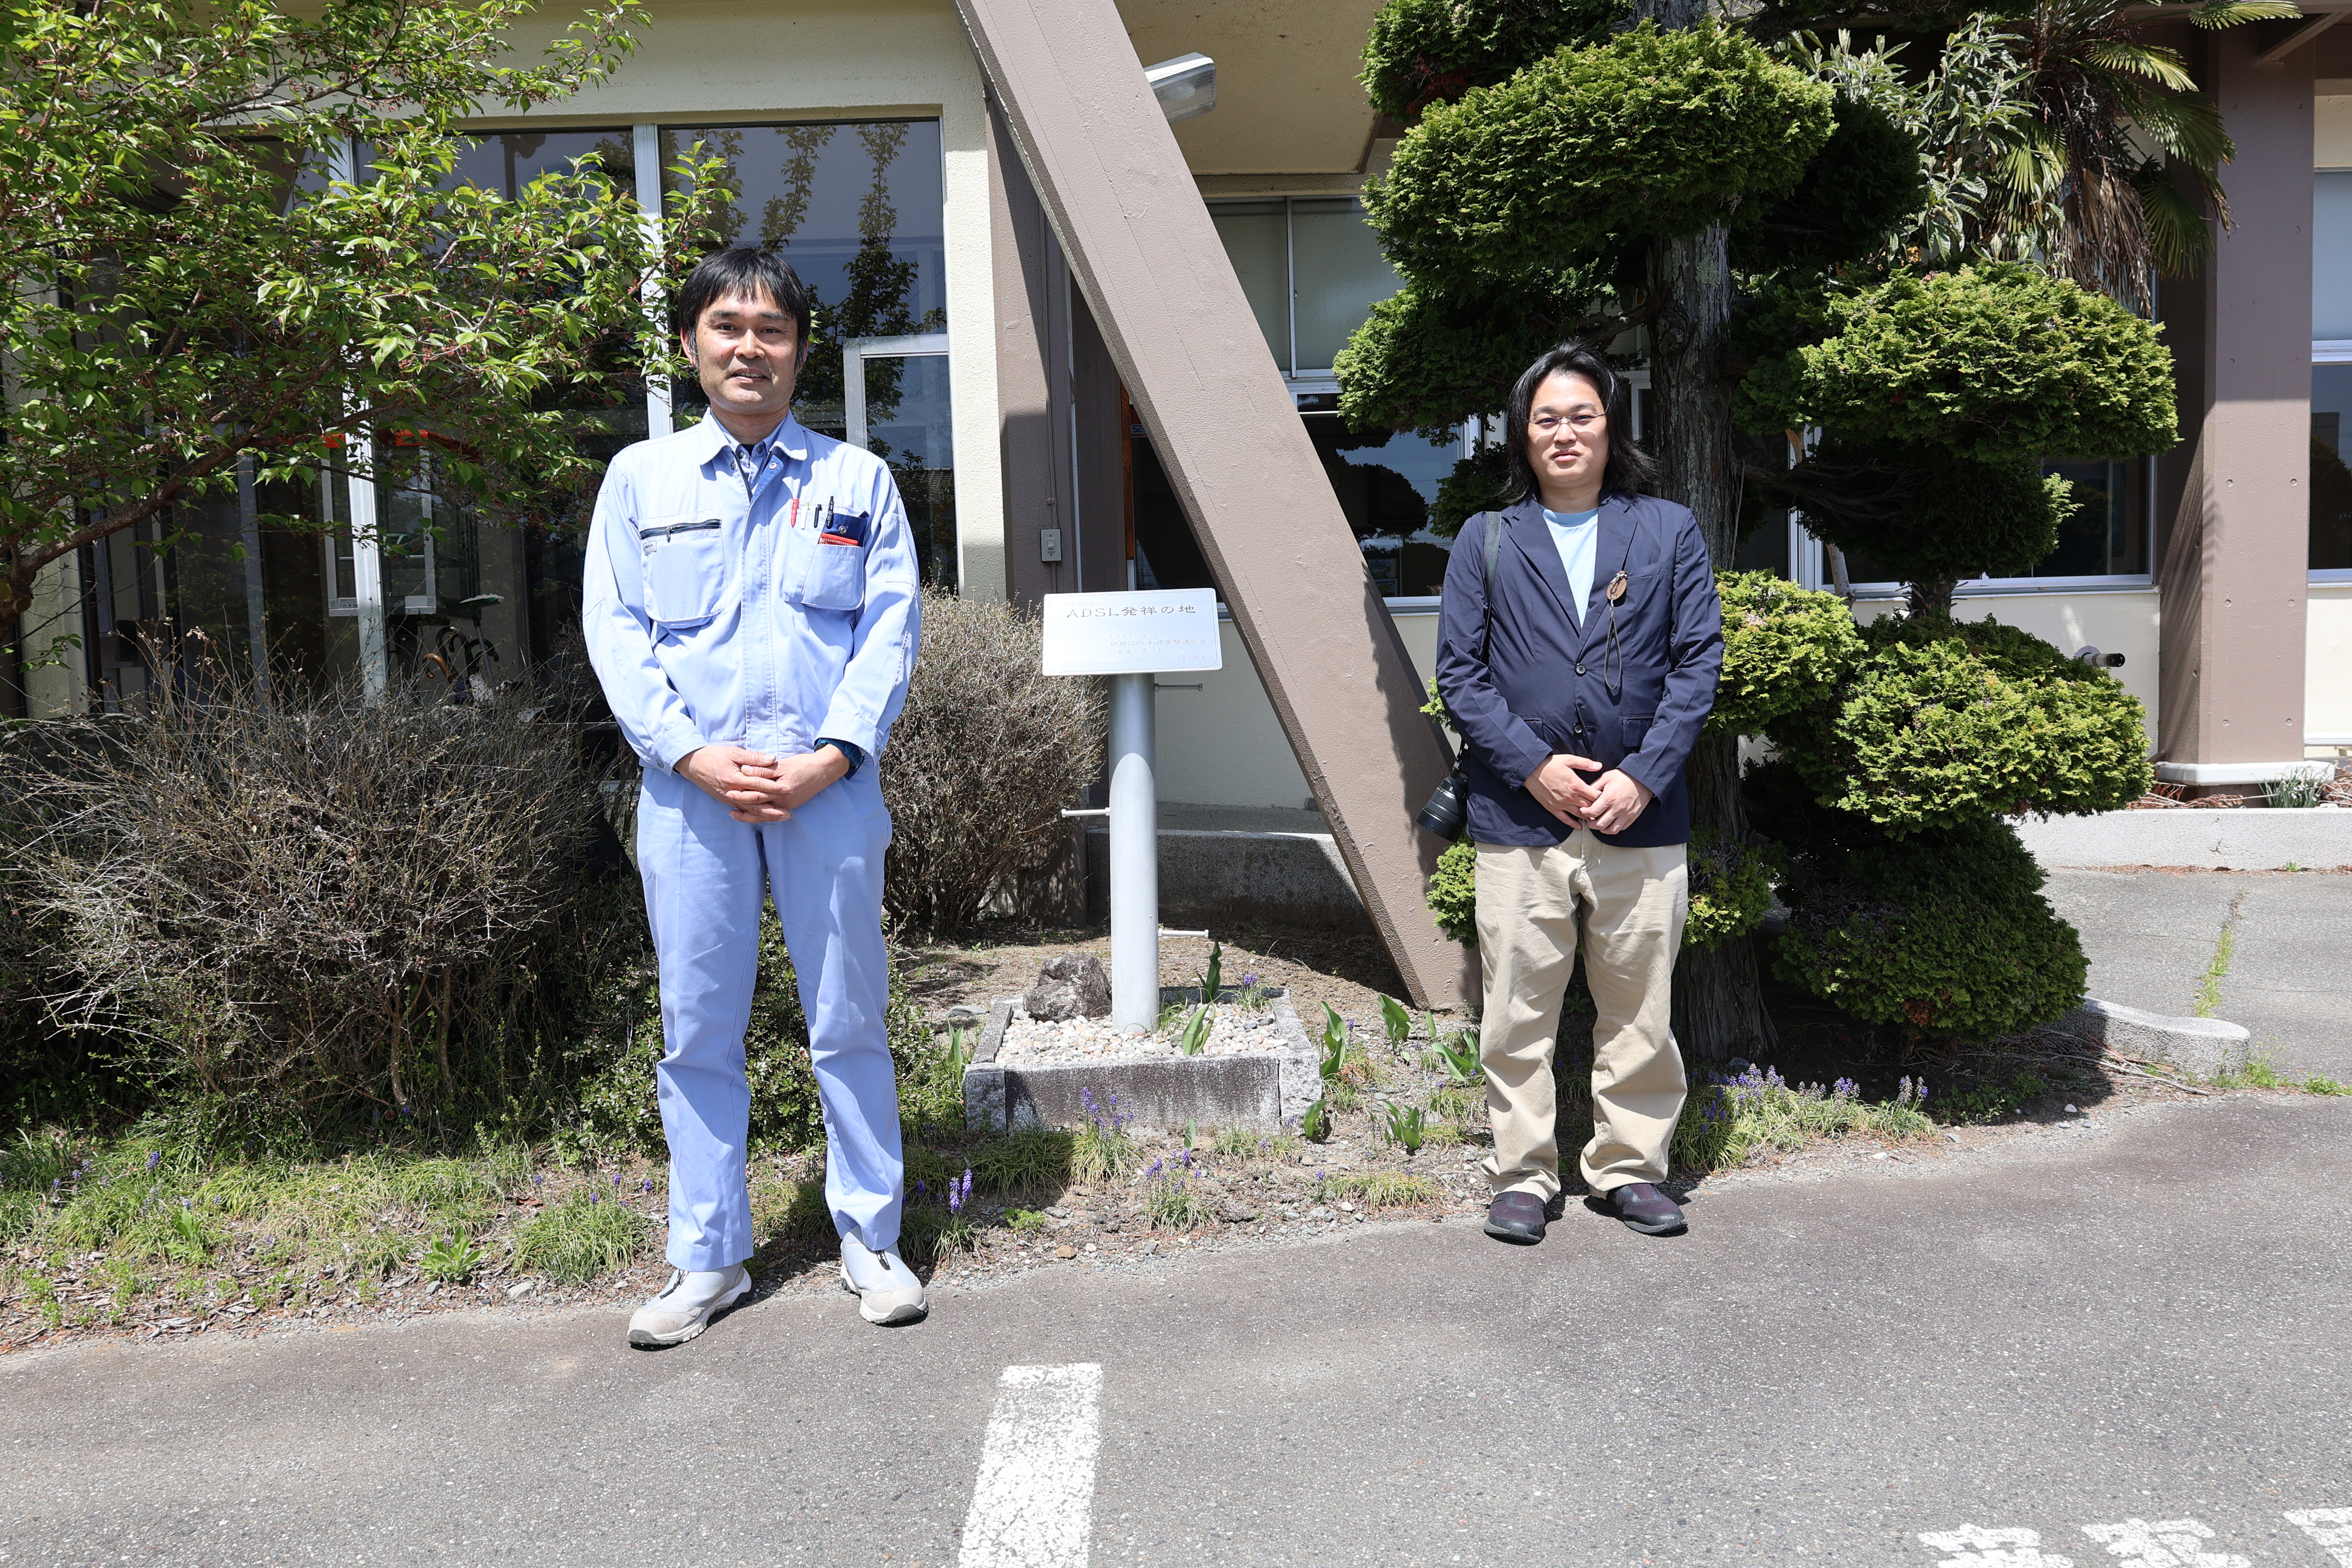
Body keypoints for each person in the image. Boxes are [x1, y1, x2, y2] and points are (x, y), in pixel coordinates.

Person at [583, 247, 925, 1345]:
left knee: (849, 1019)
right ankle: (709, 1257)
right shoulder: (640, 481)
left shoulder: (855, 481)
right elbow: (617, 636)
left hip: (825, 788)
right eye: (727, 327)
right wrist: (687, 753)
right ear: (692, 346)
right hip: (693, 798)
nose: (749, 348)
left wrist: (836, 752)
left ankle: (870, 1237)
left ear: (799, 351)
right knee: (697, 1032)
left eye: (771, 330)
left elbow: (890, 631)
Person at [1434, 343, 1724, 1246]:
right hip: (1521, 818)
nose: (1565, 433)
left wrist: (1643, 775)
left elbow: (1696, 664)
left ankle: (1629, 1169)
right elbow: (1460, 674)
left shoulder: (1669, 531)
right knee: (1519, 1008)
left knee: (1640, 1007)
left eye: (1582, 415)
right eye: (1546, 419)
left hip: (1642, 816)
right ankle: (1524, 1176)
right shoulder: (1485, 539)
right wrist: (1532, 765)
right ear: (1524, 436)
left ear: (1610, 428)